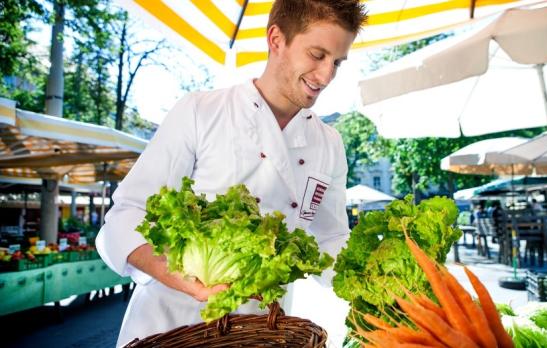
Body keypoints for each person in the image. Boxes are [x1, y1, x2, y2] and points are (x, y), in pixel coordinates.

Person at [95, 1, 368, 346]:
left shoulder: (328, 144)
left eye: (337, 62)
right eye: (317, 54)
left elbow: (331, 240)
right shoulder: (201, 112)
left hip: (261, 332)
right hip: (169, 327)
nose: (326, 76)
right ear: (276, 39)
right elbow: (124, 218)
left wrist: (378, 283)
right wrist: (188, 281)